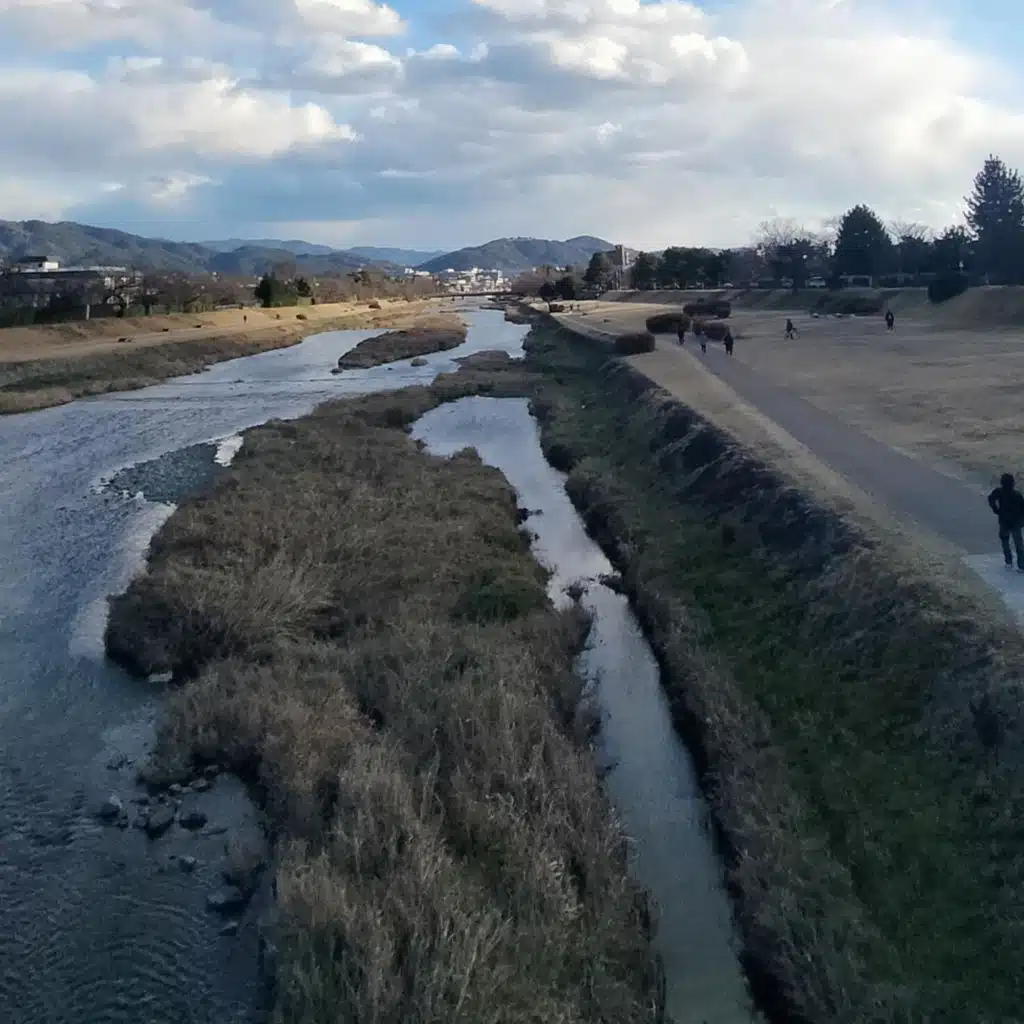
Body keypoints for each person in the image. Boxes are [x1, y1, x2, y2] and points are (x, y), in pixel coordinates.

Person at [987, 473, 1024, 571]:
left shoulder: (999, 492)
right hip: (1016, 522)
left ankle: (1008, 561)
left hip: (1004, 521)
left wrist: (996, 510)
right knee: (1019, 544)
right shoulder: (1017, 495)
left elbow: (991, 499)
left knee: (1005, 542)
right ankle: (1021, 565)